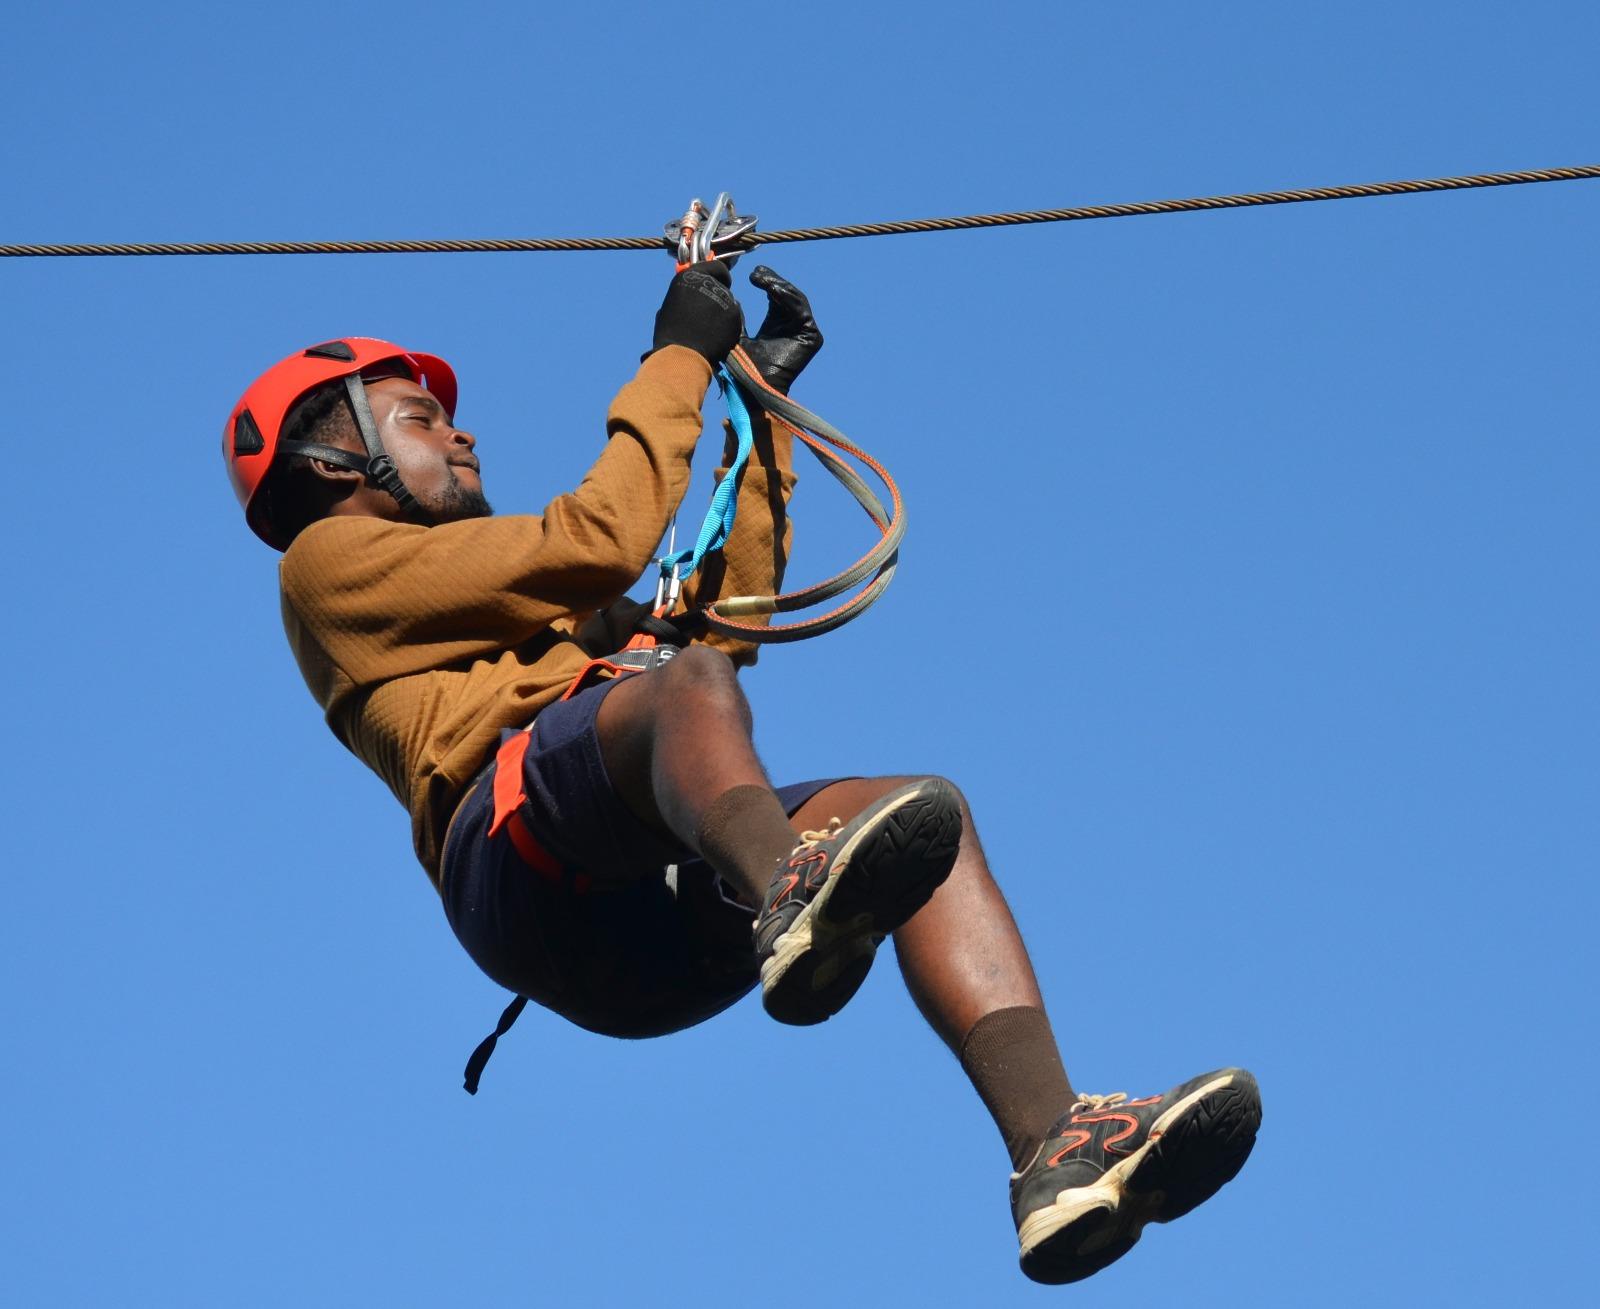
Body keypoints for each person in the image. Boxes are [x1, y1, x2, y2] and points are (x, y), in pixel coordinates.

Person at [222, 259, 1262, 1285]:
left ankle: (1053, 1147)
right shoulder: (324, 563)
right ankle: (789, 890)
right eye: (417, 417)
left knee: (919, 820)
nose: (461, 431)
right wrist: (677, 354)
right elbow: (602, 541)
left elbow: (726, 615)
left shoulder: (506, 608)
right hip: (523, 871)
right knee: (688, 687)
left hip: (632, 934)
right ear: (333, 461)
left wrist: (757, 406)